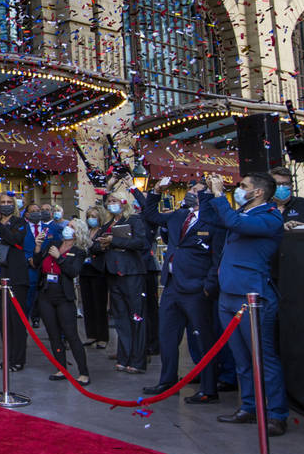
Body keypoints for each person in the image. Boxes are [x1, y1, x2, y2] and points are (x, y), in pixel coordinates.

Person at [201, 172, 289, 437]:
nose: (238, 189)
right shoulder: (241, 213)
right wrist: (208, 193)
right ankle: (249, 406)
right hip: (228, 295)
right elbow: (211, 219)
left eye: (243, 186)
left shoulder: (270, 217)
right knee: (241, 358)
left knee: (264, 357)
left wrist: (219, 195)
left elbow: (234, 223)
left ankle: (276, 414)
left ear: (258, 192)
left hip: (252, 296)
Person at [140, 178, 225, 403]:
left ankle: (208, 389)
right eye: (190, 189)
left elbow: (218, 258)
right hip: (172, 285)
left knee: (203, 339)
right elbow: (152, 215)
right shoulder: (179, 216)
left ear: (206, 196)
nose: (190, 193)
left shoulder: (213, 221)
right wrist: (156, 191)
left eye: (196, 191)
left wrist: (209, 286)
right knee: (167, 336)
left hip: (197, 288)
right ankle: (168, 380)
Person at [94, 191, 149, 374]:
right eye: (109, 201)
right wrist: (102, 244)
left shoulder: (133, 220)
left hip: (131, 273)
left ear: (123, 202)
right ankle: (124, 357)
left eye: (114, 200)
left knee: (136, 316)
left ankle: (138, 360)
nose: (111, 203)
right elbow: (94, 244)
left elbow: (141, 242)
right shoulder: (108, 224)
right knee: (121, 319)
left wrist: (114, 241)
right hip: (113, 273)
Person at [35, 218, 91, 385]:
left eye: (71, 226)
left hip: (64, 295)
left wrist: (59, 258)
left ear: (77, 231)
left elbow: (73, 271)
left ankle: (83, 372)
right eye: (67, 225)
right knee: (53, 334)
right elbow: (37, 263)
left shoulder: (79, 251)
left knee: (71, 334)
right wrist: (38, 247)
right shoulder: (55, 243)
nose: (67, 228)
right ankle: (61, 368)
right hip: (46, 293)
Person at [0, 192, 29, 371]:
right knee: (2, 320)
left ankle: (18, 359)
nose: (5, 205)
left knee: (16, 320)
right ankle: (7, 357)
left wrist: (0, 225)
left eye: (9, 202)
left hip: (16, 277)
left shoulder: (20, 223)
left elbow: (15, 239)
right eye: (2, 202)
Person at [78, 205, 109, 349]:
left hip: (98, 270)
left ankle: (102, 336)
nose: (91, 219)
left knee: (99, 305)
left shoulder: (103, 232)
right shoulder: (86, 231)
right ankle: (91, 334)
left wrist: (90, 247)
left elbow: (100, 248)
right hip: (84, 270)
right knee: (87, 304)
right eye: (89, 216)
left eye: (94, 216)